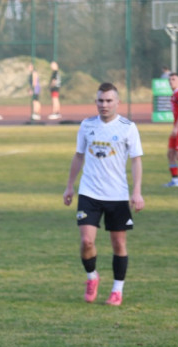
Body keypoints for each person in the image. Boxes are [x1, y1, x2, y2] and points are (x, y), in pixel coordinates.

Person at [62, 83, 144, 306]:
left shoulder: (128, 127)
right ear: (96, 101)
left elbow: (136, 160)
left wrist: (136, 192)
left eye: (108, 101)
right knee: (87, 241)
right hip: (89, 193)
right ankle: (92, 277)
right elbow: (78, 156)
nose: (104, 105)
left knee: (118, 244)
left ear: (117, 102)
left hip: (117, 195)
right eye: (100, 100)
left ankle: (117, 290)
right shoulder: (87, 125)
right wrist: (70, 186)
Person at [165, 72, 178, 187]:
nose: (171, 82)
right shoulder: (174, 94)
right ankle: (175, 181)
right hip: (176, 127)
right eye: (170, 80)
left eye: (173, 79)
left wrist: (176, 127)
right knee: (170, 153)